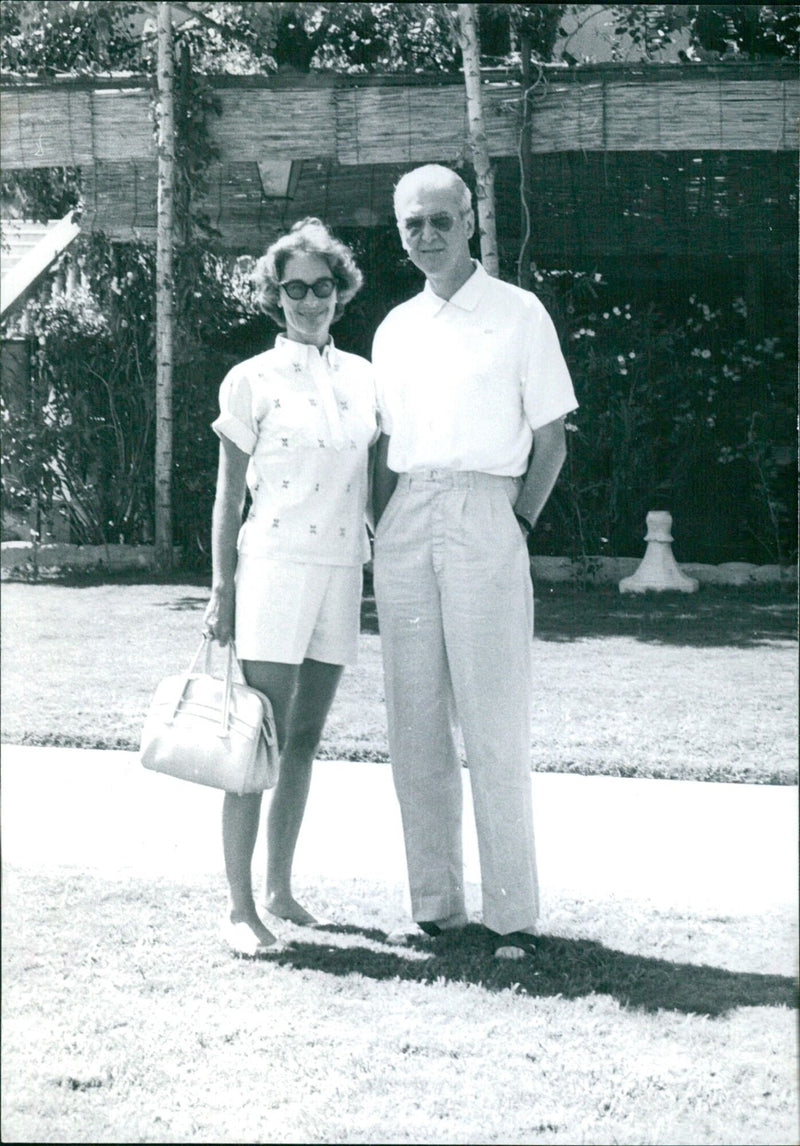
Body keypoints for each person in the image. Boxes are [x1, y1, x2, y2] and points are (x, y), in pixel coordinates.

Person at [371, 165, 578, 959]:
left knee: (493, 722)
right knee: (414, 721)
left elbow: (551, 438)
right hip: (407, 520)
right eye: (412, 225)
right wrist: (383, 523)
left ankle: (512, 915)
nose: (427, 236)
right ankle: (435, 905)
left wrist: (516, 521)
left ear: (469, 224)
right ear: (400, 234)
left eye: (440, 221)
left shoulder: (519, 314)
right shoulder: (393, 328)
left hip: (489, 510)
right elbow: (385, 446)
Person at [203, 217, 378, 957]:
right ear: (275, 296)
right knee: (257, 742)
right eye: (295, 288)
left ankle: (280, 888)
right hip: (271, 570)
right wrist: (221, 590)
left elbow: (376, 483)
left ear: (341, 291)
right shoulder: (251, 379)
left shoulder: (365, 376)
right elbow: (227, 497)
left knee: (303, 739)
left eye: (323, 286)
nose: (311, 300)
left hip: (341, 572)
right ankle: (240, 910)